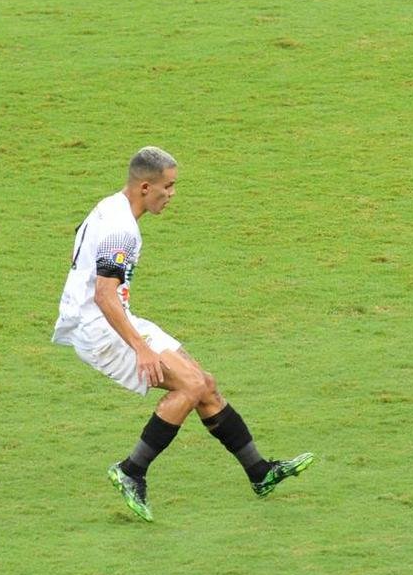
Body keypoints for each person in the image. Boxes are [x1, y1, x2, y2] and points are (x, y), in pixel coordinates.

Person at [52, 146, 315, 522]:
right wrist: (141, 349)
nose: (172, 195)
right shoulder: (120, 229)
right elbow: (104, 295)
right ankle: (131, 470)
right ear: (145, 187)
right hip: (101, 328)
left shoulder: (111, 207)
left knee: (204, 384)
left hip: (114, 316)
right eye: (168, 187)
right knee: (189, 387)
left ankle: (260, 472)